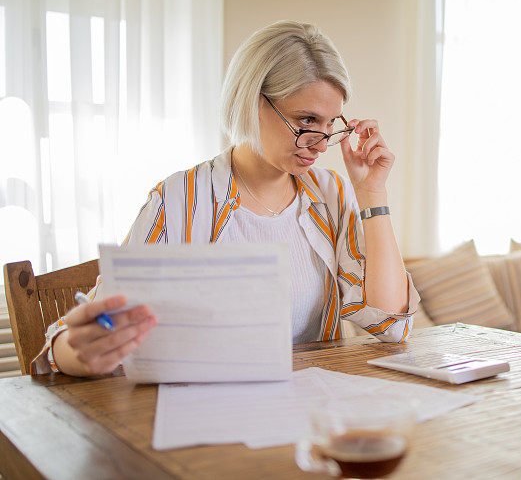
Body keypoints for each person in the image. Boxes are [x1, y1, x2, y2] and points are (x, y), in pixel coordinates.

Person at [32, 21, 420, 377]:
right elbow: (83, 338)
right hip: (204, 413)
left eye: (329, 125)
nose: (319, 145)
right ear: (253, 102)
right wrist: (77, 350)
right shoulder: (180, 199)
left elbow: (390, 325)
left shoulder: (329, 194)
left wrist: (372, 192)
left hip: (308, 410)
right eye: (305, 121)